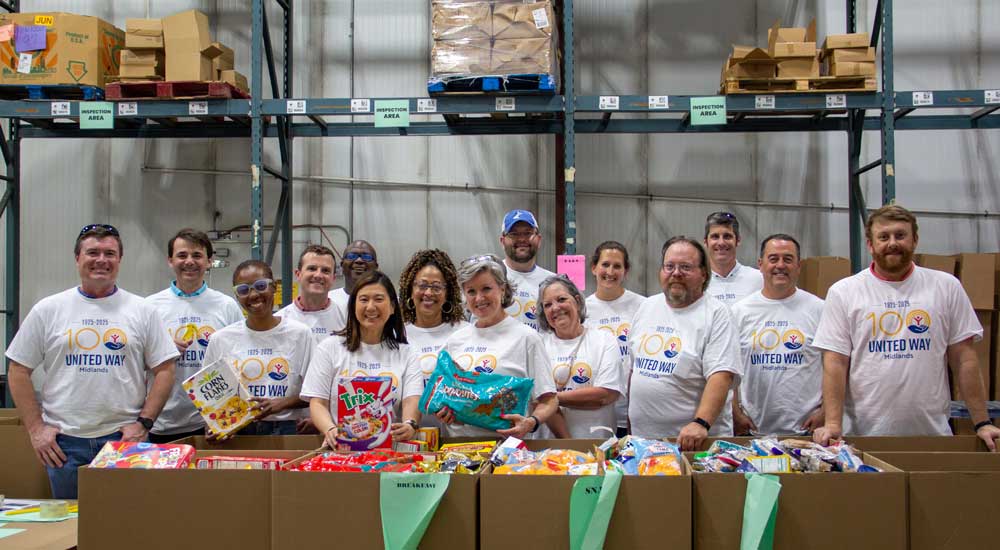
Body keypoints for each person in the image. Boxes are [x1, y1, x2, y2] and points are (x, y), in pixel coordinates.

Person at [6, 224, 179, 498]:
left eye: (110, 253)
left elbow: (166, 369)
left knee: (123, 525)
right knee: (71, 529)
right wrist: (36, 429)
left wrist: (144, 424)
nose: (101, 260)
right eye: (92, 253)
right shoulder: (49, 309)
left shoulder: (142, 311)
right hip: (64, 444)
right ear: (78, 258)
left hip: (123, 441)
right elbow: (18, 369)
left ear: (119, 260)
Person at [812, 205, 1000, 450]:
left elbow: (964, 359)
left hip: (932, 435)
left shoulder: (945, 287)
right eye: (883, 237)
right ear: (870, 245)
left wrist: (982, 422)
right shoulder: (844, 292)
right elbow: (835, 362)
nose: (892, 243)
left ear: (915, 240)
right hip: (862, 437)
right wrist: (833, 423)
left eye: (900, 235)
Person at [628, 236, 742, 451]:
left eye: (686, 267)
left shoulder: (717, 313)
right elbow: (635, 370)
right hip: (644, 443)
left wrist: (701, 423)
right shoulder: (647, 307)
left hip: (696, 443)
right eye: (669, 266)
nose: (676, 273)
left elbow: (722, 375)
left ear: (703, 274)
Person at [438, 254, 559, 438]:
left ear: (502, 289)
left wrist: (531, 422)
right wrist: (444, 411)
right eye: (471, 291)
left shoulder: (526, 338)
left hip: (508, 452)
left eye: (486, 288)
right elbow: (444, 396)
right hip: (460, 451)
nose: (479, 298)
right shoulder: (455, 341)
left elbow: (549, 400)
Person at [301, 271, 424, 448]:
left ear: (392, 307)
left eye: (379, 299)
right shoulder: (330, 348)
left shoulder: (406, 353)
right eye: (364, 300)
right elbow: (318, 402)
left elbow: (412, 399)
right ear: (353, 306)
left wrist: (410, 424)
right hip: (341, 451)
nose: (371, 307)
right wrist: (330, 430)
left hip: (389, 451)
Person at [145, 228, 244, 444]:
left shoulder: (227, 306)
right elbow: (135, 362)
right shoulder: (150, 307)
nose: (189, 261)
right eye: (182, 255)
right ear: (170, 261)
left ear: (209, 261)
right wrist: (161, 348)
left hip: (211, 422)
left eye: (197, 255)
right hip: (162, 422)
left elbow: (238, 363)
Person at [202, 260, 314, 435]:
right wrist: (213, 427)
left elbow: (314, 392)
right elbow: (208, 397)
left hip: (288, 429)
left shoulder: (300, 334)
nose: (253, 295)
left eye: (261, 286)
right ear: (236, 296)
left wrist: (281, 403)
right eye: (243, 290)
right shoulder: (221, 339)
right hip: (238, 431)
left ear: (274, 287)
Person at [731, 234, 824, 436]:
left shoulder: (820, 309)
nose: (780, 265)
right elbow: (728, 370)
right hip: (753, 432)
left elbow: (836, 366)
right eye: (773, 259)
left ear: (798, 266)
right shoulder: (739, 312)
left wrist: (825, 412)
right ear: (760, 265)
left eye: (788, 259)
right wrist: (735, 413)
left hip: (806, 433)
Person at [538, 276, 622, 439]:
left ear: (577, 301)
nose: (555, 308)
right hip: (549, 449)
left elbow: (605, 395)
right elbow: (535, 398)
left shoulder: (604, 340)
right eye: (547, 305)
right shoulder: (537, 344)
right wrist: (568, 444)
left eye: (561, 299)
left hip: (597, 444)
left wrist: (551, 399)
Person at [397, 249, 469, 428]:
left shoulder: (465, 333)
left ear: (448, 293)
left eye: (436, 287)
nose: (428, 292)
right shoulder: (395, 335)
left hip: (456, 440)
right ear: (410, 290)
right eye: (422, 285)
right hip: (408, 439)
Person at [584, 241, 645, 437]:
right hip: (601, 413)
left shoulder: (643, 306)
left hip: (635, 410)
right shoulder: (582, 310)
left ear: (626, 271)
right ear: (594, 268)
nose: (610, 271)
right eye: (605, 264)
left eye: (617, 266)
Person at [498, 209, 555, 330]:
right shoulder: (490, 278)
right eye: (514, 234)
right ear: (502, 241)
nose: (522, 239)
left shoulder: (553, 282)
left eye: (528, 233)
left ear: (539, 240)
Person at [703, 211, 762, 306]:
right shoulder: (696, 281)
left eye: (727, 236)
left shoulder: (759, 279)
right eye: (715, 237)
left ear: (738, 240)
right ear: (706, 242)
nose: (721, 243)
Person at [329, 240, 378, 314]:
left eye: (367, 257)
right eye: (351, 256)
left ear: (376, 267)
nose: (359, 261)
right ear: (342, 265)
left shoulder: (389, 300)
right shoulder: (328, 300)